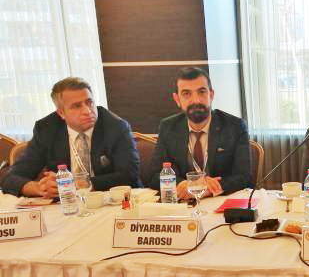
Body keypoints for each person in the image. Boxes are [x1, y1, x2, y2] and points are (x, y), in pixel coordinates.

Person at [3, 77, 141, 197]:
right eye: (77, 106)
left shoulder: (116, 127)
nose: (87, 111)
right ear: (61, 113)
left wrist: (77, 184)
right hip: (66, 204)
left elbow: (129, 175)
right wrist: (40, 188)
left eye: (89, 102)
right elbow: (11, 177)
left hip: (112, 201)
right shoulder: (46, 129)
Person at [150, 67, 250, 198]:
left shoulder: (235, 126)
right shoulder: (168, 127)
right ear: (177, 99)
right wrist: (183, 184)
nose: (196, 100)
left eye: (202, 92)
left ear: (211, 95)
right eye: (186, 94)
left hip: (220, 201)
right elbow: (154, 175)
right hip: (184, 202)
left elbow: (243, 177)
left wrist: (209, 188)